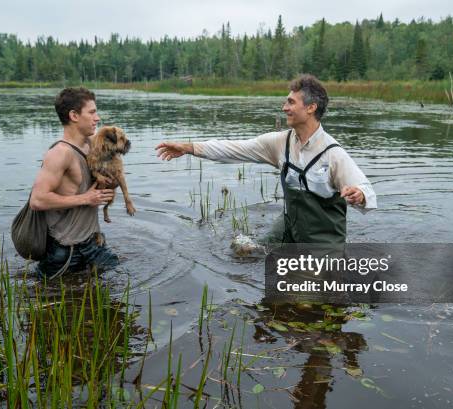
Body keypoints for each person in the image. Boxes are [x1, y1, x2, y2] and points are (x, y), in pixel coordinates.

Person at [156, 74, 376, 244]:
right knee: (250, 253)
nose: (284, 108)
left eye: (290, 103)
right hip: (289, 226)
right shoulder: (279, 143)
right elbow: (234, 148)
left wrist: (359, 195)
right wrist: (189, 147)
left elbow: (366, 189)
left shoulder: (333, 153)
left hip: (323, 241)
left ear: (311, 108)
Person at [30, 87, 119, 279]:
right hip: (65, 253)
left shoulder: (92, 145)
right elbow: (37, 200)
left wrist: (110, 185)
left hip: (94, 244)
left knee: (118, 285)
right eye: (92, 112)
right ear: (74, 116)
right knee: (46, 301)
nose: (98, 118)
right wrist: (85, 198)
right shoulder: (60, 153)